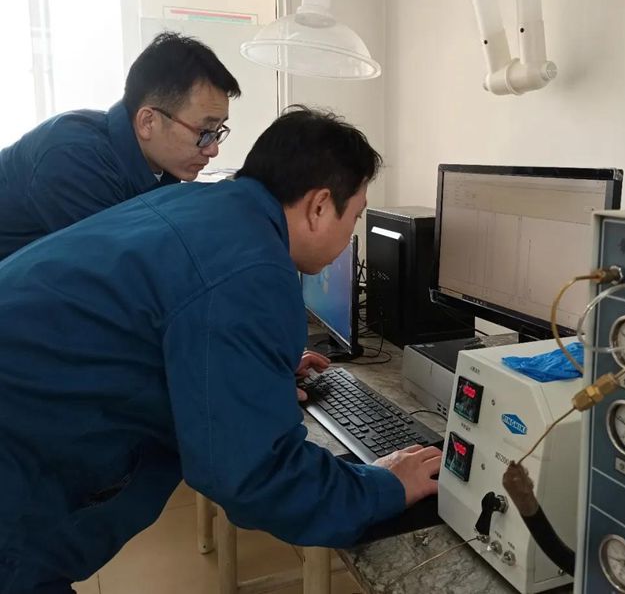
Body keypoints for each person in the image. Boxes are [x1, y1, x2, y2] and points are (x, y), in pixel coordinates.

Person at [0, 106, 442, 593]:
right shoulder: (252, 268)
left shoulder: (203, 206)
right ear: (319, 206)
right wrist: (385, 486)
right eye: (354, 217)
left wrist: (259, 370)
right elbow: (256, 475)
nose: (349, 235)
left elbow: (172, 322)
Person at [0, 31, 241, 261]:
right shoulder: (73, 157)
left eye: (217, 132)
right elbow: (114, 268)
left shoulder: (159, 167)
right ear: (148, 122)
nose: (213, 149)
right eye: (204, 132)